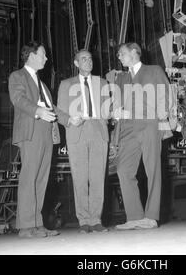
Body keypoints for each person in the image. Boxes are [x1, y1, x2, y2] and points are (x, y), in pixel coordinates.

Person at [8, 41, 70, 238]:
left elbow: (53, 109)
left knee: (41, 179)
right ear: (31, 56)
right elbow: (18, 99)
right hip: (31, 130)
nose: (46, 58)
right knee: (29, 177)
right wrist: (38, 111)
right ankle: (26, 226)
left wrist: (69, 119)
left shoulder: (42, 84)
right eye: (43, 54)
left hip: (45, 133)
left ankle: (37, 223)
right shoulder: (17, 76)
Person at [112, 42, 174, 230]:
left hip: (149, 124)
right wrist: (116, 112)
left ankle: (151, 217)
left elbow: (166, 93)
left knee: (152, 169)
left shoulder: (154, 70)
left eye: (121, 53)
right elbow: (116, 103)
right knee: (123, 169)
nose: (119, 57)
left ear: (134, 52)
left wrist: (163, 113)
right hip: (127, 129)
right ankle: (134, 217)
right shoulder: (120, 78)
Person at [57, 49, 110, 233]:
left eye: (90, 59)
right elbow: (60, 111)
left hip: (98, 131)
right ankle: (83, 221)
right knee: (80, 179)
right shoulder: (66, 84)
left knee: (97, 178)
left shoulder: (103, 83)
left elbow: (107, 111)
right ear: (76, 63)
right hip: (76, 131)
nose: (88, 61)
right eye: (84, 59)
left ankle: (96, 219)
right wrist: (69, 119)